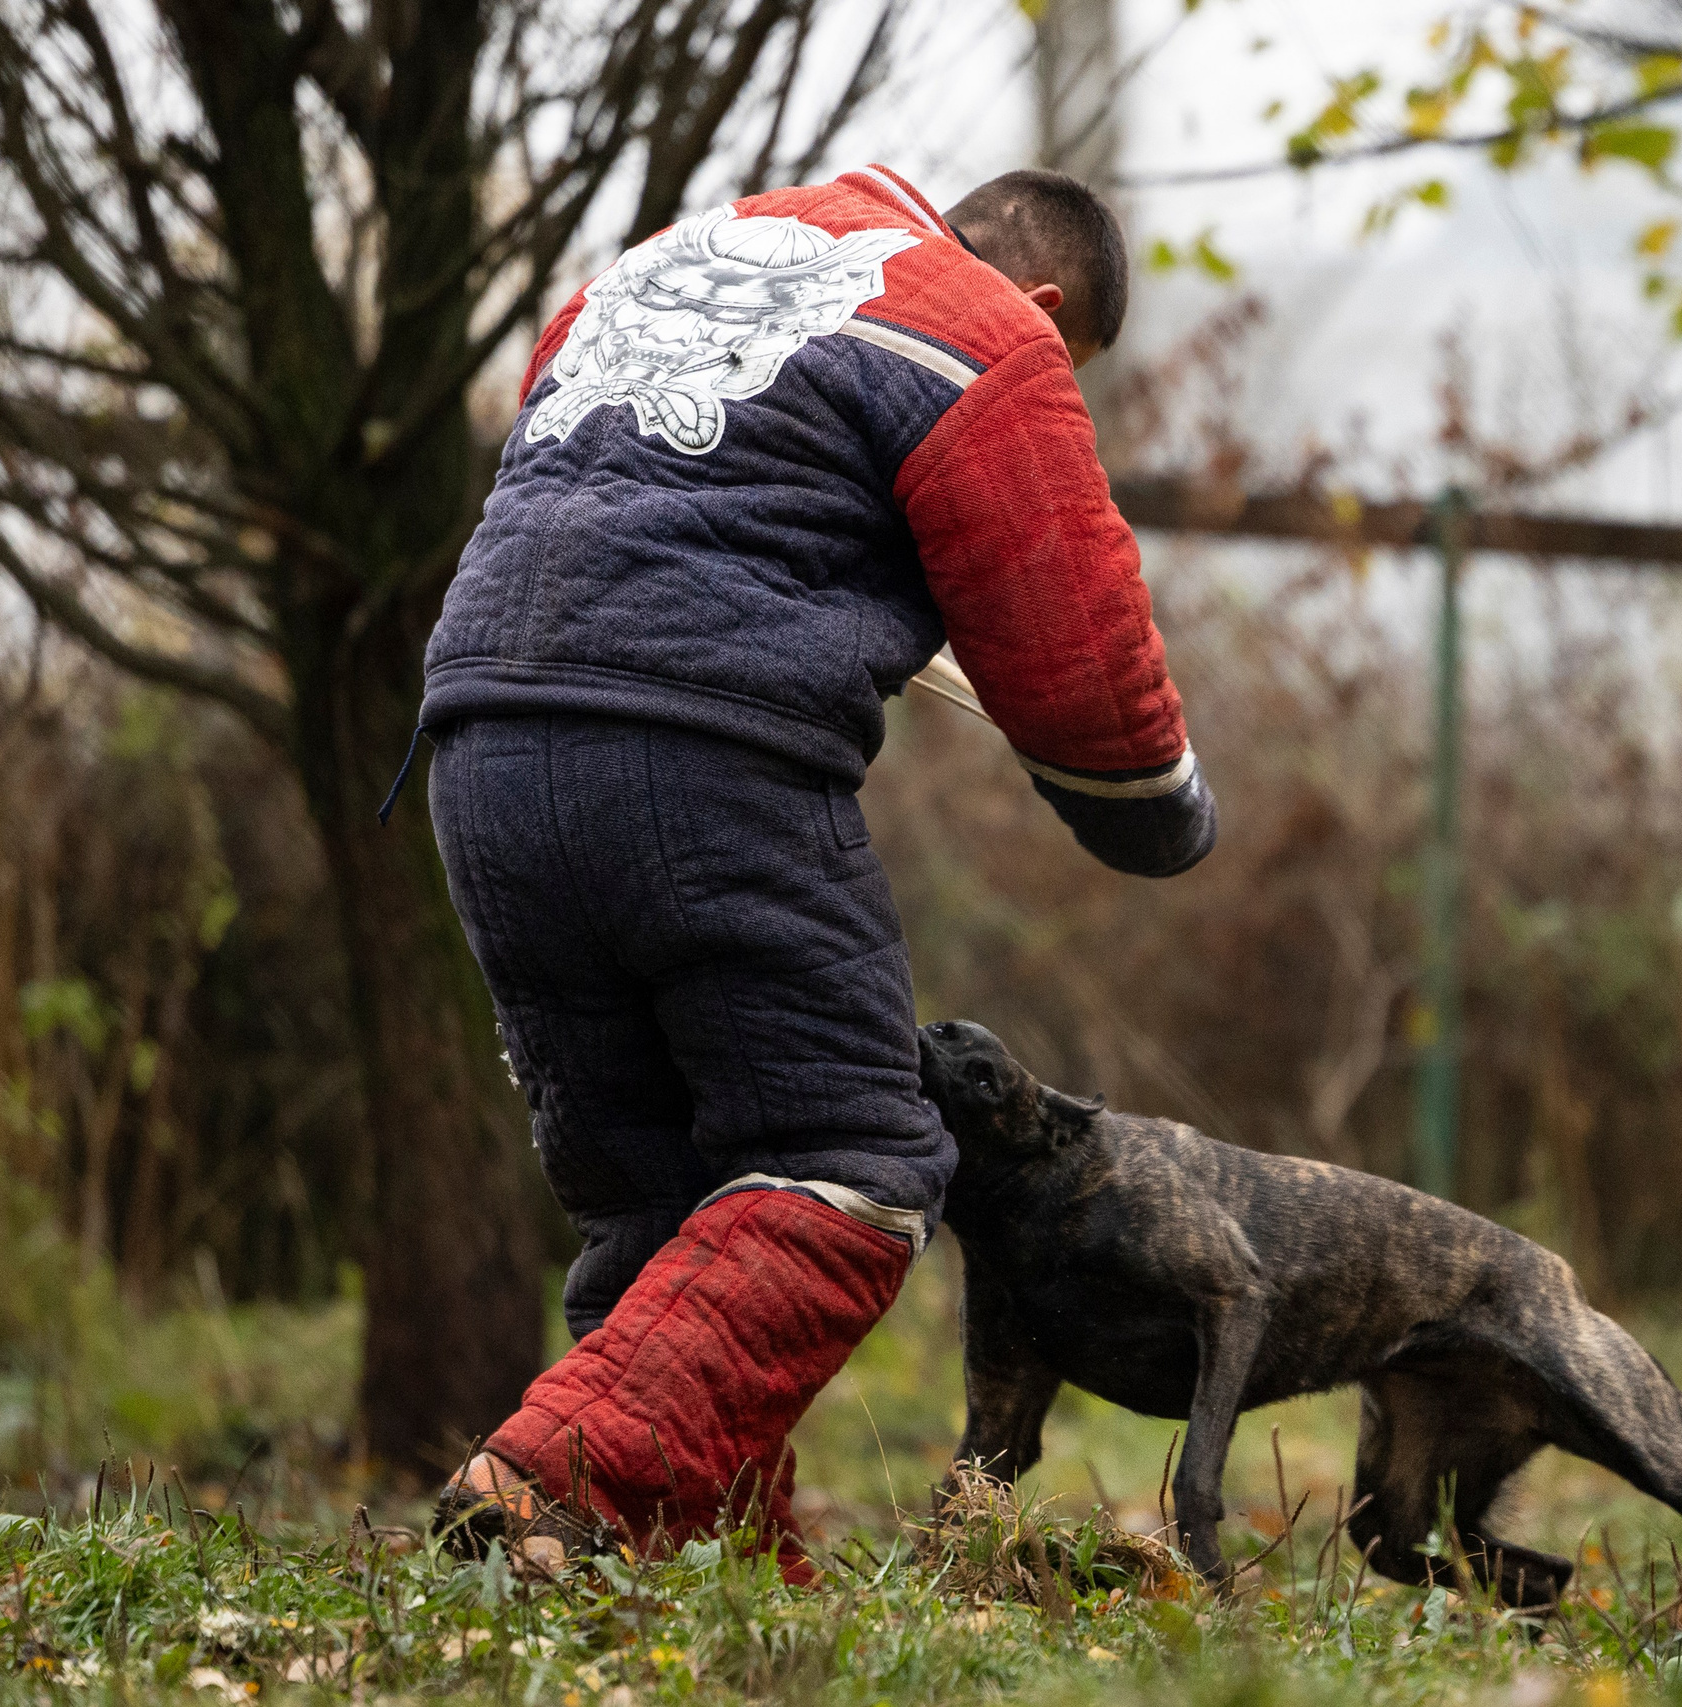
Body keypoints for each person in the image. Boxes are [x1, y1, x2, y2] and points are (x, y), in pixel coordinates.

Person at [407, 163, 1215, 1576]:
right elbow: (1091, 693)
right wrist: (1172, 814)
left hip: (477, 751)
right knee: (856, 1154)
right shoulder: (982, 328)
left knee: (667, 1209)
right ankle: (545, 1475)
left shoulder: (658, 266)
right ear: (1041, 307)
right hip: (697, 757)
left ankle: (696, 1566)